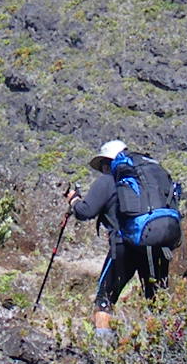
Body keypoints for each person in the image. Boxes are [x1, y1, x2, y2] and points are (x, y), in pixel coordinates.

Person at [68, 138, 179, 332]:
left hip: (124, 246)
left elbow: (85, 211)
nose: (102, 169)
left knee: (105, 299)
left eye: (103, 164)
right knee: (157, 300)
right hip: (155, 240)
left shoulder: (109, 179)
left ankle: (101, 353)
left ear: (108, 162)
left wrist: (73, 200)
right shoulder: (149, 179)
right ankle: (164, 349)